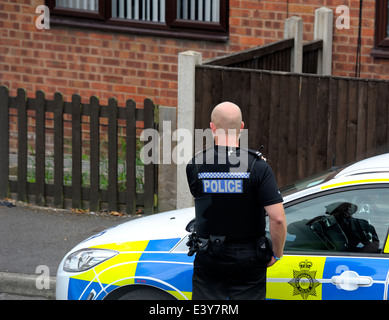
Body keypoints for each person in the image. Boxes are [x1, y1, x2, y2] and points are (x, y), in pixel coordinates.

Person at [186, 101, 287, 300]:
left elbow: (205, 198)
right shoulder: (258, 166)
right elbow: (278, 219)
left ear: (212, 127)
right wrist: (277, 253)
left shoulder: (195, 164)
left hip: (209, 254)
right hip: (248, 257)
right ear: (242, 127)